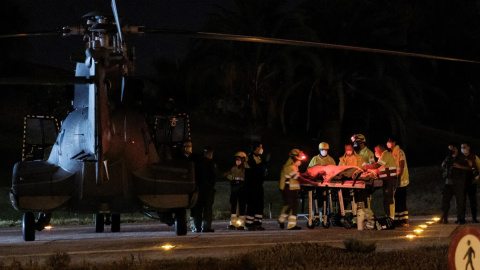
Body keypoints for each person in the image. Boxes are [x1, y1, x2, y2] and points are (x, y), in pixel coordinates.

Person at [278, 149, 315, 230]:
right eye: (298, 159)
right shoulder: (288, 167)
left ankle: (291, 225)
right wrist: (311, 182)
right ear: (294, 158)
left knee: (294, 206)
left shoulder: (294, 166)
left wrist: (307, 175)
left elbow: (299, 175)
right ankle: (281, 219)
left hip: (293, 189)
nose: (300, 161)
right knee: (289, 205)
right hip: (287, 189)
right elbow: (298, 178)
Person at [363, 144, 397, 219]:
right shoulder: (382, 157)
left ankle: (391, 217)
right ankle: (388, 216)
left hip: (390, 180)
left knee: (389, 198)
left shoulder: (386, 155)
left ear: (379, 150)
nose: (375, 152)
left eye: (375, 151)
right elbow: (378, 169)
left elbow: (377, 166)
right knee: (387, 198)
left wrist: (367, 167)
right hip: (386, 180)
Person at [440, 143, 470, 224]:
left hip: (458, 182)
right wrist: (444, 165)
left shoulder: (462, 158)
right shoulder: (448, 158)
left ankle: (460, 219)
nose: (450, 151)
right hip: (448, 182)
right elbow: (443, 166)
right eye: (448, 149)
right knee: (445, 200)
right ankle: (444, 217)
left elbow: (468, 168)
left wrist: (460, 166)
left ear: (455, 149)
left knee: (459, 201)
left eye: (451, 149)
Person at [191, 147, 218, 233]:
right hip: (207, 189)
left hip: (198, 189)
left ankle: (197, 227)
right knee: (207, 209)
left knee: (197, 208)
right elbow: (215, 175)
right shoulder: (210, 163)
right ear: (209, 154)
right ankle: (206, 227)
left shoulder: (196, 163)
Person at [387, 136, 410, 227]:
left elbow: (401, 166)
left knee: (401, 200)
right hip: (394, 180)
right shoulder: (391, 153)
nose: (387, 143)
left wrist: (397, 174)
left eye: (389, 141)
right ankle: (397, 219)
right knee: (395, 200)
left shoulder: (400, 152)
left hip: (401, 180)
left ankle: (404, 220)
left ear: (394, 142)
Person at [245, 142, 268, 231]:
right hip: (251, 185)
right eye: (260, 147)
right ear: (256, 148)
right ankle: (249, 224)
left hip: (258, 184)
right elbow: (254, 169)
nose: (262, 149)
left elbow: (260, 170)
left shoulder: (258, 157)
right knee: (252, 204)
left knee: (259, 204)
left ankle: (257, 223)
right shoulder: (250, 157)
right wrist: (264, 163)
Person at [225, 151, 248, 230]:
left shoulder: (245, 169)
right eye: (236, 159)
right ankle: (233, 223)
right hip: (234, 189)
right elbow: (230, 177)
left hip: (242, 190)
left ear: (243, 160)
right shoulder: (233, 168)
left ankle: (242, 224)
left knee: (242, 206)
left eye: (239, 159)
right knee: (233, 206)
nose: (237, 161)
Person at [460, 142, 480, 223]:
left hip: (471, 182)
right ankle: (461, 218)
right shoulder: (459, 157)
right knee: (461, 201)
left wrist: (476, 178)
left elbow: (479, 168)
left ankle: (474, 218)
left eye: (464, 147)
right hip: (461, 183)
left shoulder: (474, 157)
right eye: (461, 147)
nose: (463, 149)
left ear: (469, 147)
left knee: (473, 201)